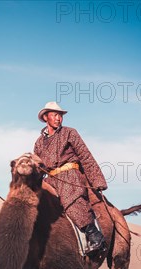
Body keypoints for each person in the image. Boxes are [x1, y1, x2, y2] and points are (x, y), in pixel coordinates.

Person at [33, 101, 107, 255]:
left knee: (70, 200)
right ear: (46, 117)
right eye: (54, 115)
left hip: (70, 176)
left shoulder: (69, 133)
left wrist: (97, 180)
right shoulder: (39, 143)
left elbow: (85, 156)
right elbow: (39, 167)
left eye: (60, 115)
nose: (58, 118)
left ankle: (94, 235)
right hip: (51, 179)